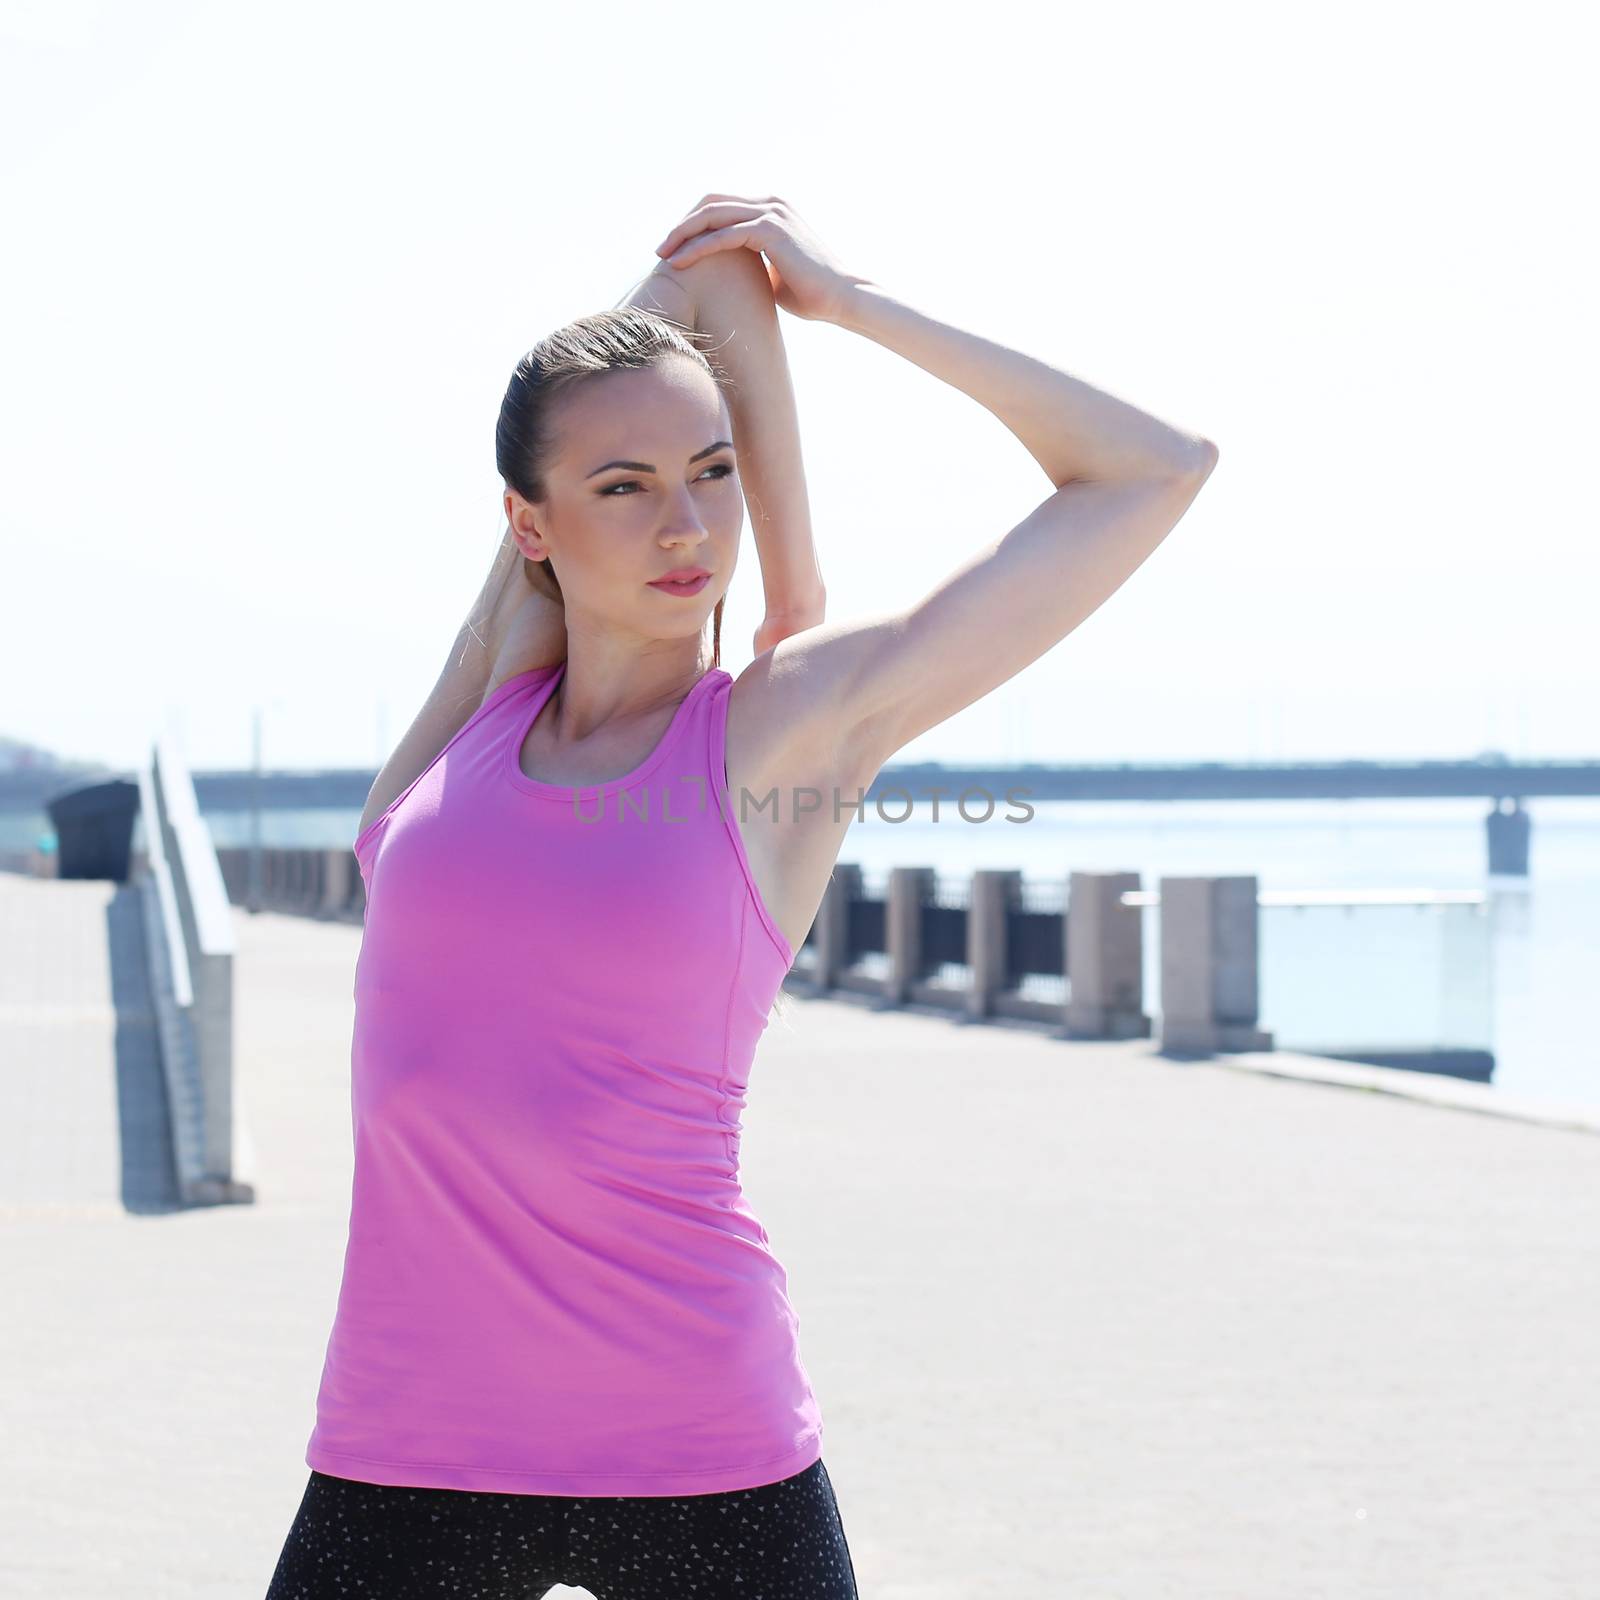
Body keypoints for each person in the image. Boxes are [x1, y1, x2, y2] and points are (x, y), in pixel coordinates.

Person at [265, 193, 1218, 1599]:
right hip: (406, 1455)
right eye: (625, 488)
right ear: (526, 525)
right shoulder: (460, 737)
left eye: (713, 473)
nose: (685, 523)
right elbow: (694, 298)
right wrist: (699, 284)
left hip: (702, 1458)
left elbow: (1150, 471)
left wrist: (849, 305)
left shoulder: (779, 733)